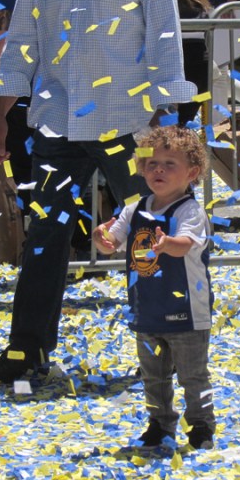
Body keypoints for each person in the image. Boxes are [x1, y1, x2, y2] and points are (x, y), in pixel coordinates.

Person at [0, 0, 196, 384]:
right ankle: (27, 348)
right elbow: (24, 40)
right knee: (44, 232)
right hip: (58, 119)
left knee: (150, 230)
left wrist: (165, 117)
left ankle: (166, 341)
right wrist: (1, 113)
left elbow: (164, 34)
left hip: (130, 119)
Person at [93, 126, 215, 450]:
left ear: (192, 172)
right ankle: (160, 424)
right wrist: (101, 240)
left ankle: (201, 425)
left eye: (169, 164)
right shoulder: (136, 208)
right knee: (154, 375)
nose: (158, 170)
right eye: (151, 163)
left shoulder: (190, 211)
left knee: (193, 376)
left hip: (186, 311)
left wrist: (167, 242)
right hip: (147, 309)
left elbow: (185, 245)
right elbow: (113, 242)